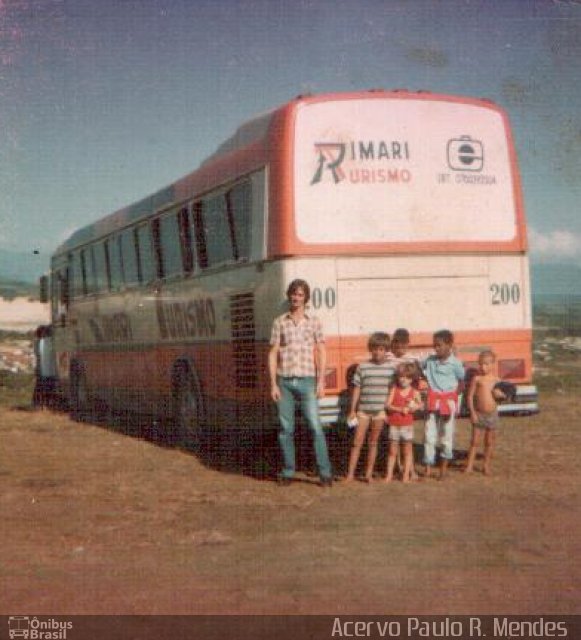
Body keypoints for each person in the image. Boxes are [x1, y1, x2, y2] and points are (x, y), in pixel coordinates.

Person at [268, 279, 333, 487]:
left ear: (306, 298)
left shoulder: (314, 322)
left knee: (315, 426)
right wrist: (273, 384)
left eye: (300, 295)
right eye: (293, 294)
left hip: (307, 380)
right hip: (285, 380)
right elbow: (273, 352)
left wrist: (321, 381)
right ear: (289, 296)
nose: (296, 298)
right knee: (286, 429)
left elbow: (321, 350)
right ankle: (288, 472)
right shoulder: (280, 322)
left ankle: (325, 473)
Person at [344, 332, 392, 483]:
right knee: (357, 442)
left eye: (381, 349)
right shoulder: (363, 367)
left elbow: (394, 390)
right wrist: (352, 410)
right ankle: (350, 474)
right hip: (363, 411)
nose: (378, 352)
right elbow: (357, 389)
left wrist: (389, 409)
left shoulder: (392, 369)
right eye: (375, 349)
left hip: (380, 412)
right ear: (370, 349)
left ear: (386, 350)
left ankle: (368, 474)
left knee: (373, 442)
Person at [422, 329, 465, 479]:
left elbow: (461, 382)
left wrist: (454, 397)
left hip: (448, 401)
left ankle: (443, 469)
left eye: (439, 345)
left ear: (449, 345)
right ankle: (427, 467)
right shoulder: (430, 361)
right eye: (435, 345)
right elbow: (419, 370)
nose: (436, 348)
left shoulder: (456, 363)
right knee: (429, 434)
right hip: (433, 401)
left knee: (446, 435)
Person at [464, 350, 506, 476]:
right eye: (481, 364)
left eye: (487, 364)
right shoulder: (477, 379)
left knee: (489, 442)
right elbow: (470, 397)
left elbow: (502, 399)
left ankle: (486, 466)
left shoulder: (497, 380)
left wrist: (502, 396)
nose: (483, 367)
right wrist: (472, 412)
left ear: (493, 364)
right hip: (479, 413)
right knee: (474, 441)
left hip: (492, 414)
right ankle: (469, 466)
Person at [384, 363, 423, 483]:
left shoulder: (415, 392)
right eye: (401, 376)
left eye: (407, 377)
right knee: (392, 451)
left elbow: (421, 405)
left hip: (407, 425)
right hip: (394, 424)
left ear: (412, 379)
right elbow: (387, 405)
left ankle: (406, 475)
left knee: (407, 451)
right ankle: (389, 475)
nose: (403, 379)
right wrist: (400, 409)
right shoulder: (394, 389)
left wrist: (413, 407)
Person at [32, 324, 57, 410]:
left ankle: (38, 403)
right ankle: (43, 403)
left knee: (40, 387)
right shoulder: (45, 342)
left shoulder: (38, 342)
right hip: (46, 370)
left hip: (42, 370)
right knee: (46, 387)